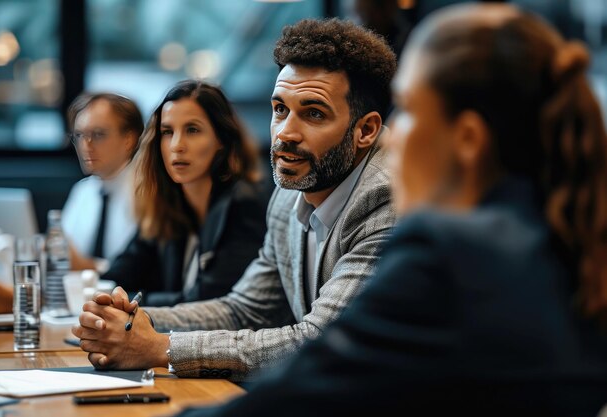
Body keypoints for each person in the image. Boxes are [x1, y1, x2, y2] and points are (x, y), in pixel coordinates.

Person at [169, 3, 607, 416]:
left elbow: (306, 387)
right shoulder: (572, 242)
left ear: (468, 139)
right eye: (279, 109)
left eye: (410, 111)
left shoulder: (449, 253)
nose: (394, 139)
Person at [72, 18, 397, 380]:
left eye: (314, 113)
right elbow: (244, 310)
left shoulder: (386, 202)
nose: (286, 132)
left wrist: (159, 347)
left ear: (366, 129)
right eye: (279, 109)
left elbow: (321, 342)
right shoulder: (288, 198)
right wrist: (134, 320)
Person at [101, 80, 269, 306]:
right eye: (168, 132)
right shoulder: (167, 203)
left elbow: (207, 302)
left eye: (192, 130)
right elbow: (115, 278)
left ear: (222, 139)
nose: (177, 145)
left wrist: (131, 302)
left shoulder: (243, 204)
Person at [63, 93, 144, 272]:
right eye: (79, 135)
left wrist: (89, 267)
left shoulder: (148, 193)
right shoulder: (82, 191)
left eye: (98, 134)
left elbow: (143, 271)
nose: (85, 145)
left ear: (129, 140)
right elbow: (65, 254)